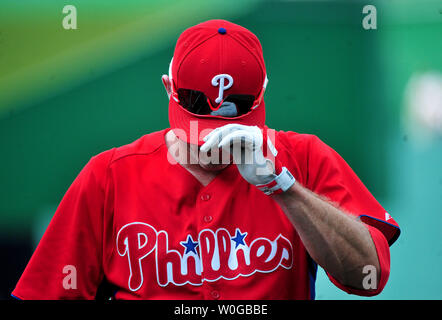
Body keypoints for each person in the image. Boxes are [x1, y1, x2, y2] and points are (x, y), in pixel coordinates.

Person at [12, 19, 400, 300]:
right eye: (199, 121)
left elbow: (368, 276)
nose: (212, 141)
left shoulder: (302, 158)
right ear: (168, 89)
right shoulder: (109, 175)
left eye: (228, 122)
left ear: (262, 96)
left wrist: (285, 189)